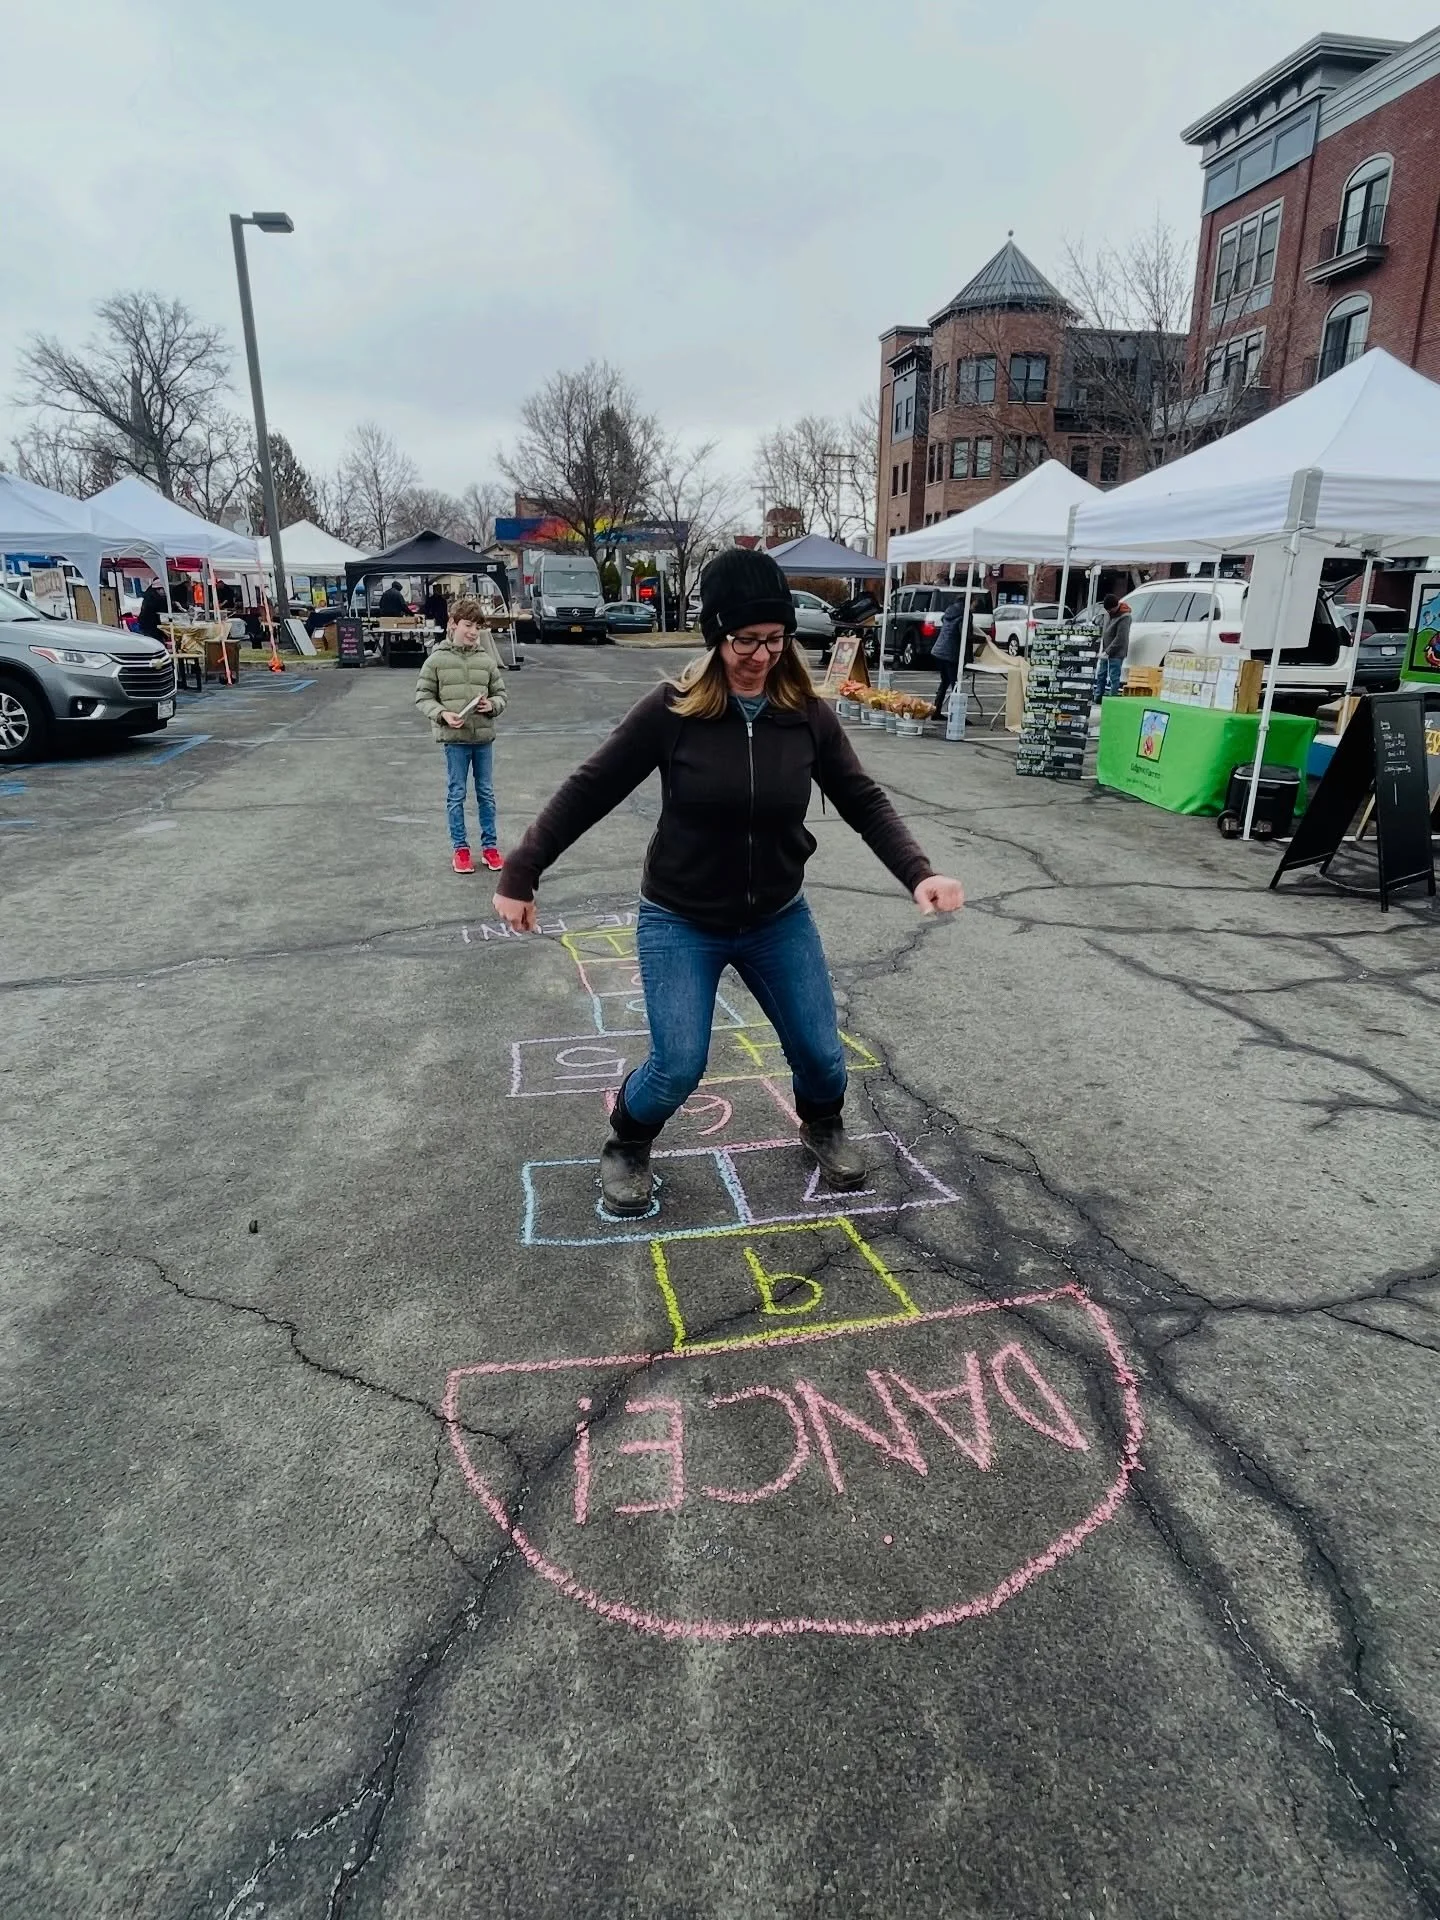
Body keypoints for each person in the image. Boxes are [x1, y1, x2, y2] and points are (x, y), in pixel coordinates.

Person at [492, 548, 965, 1218]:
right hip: (681, 917)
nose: (762, 655)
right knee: (679, 1064)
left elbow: (864, 799)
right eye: (746, 639)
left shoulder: (805, 713)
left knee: (822, 1057)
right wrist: (522, 870)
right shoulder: (671, 711)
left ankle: (821, 1124)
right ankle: (628, 1142)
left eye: (775, 639)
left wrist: (918, 872)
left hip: (775, 915)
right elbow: (587, 790)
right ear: (715, 635)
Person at [414, 597, 508, 874]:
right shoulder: (436, 661)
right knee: (456, 794)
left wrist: (492, 705)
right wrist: (442, 714)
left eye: (477, 627)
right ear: (452, 624)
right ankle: (461, 849)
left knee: (486, 794)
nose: (472, 632)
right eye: (467, 625)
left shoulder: (486, 661)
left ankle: (490, 847)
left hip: (483, 739)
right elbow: (423, 697)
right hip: (454, 741)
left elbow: (501, 695)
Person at [929, 594, 966, 720]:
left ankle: (936, 710)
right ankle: (956, 715)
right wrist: (984, 639)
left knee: (945, 682)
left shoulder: (949, 613)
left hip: (938, 651)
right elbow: (965, 635)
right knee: (956, 684)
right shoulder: (964, 615)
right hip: (950, 653)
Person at [1094, 593, 1131, 702]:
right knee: (1101, 674)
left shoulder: (1125, 617)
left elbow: (1121, 637)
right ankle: (1098, 697)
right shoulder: (1107, 614)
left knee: (1114, 676)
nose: (1109, 613)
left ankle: (1112, 699)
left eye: (1110, 610)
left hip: (1117, 652)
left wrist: (1108, 651)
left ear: (1116, 606)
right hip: (1105, 650)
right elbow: (1104, 630)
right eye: (1107, 611)